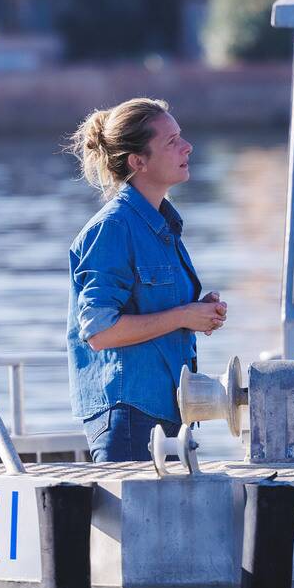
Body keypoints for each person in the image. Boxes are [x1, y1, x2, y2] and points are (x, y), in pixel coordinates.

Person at [65, 98, 227, 463]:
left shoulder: (162, 225)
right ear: (138, 162)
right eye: (171, 142)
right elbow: (100, 332)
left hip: (166, 417)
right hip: (129, 421)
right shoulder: (113, 227)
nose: (187, 147)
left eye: (181, 137)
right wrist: (185, 315)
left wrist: (199, 312)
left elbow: (158, 310)